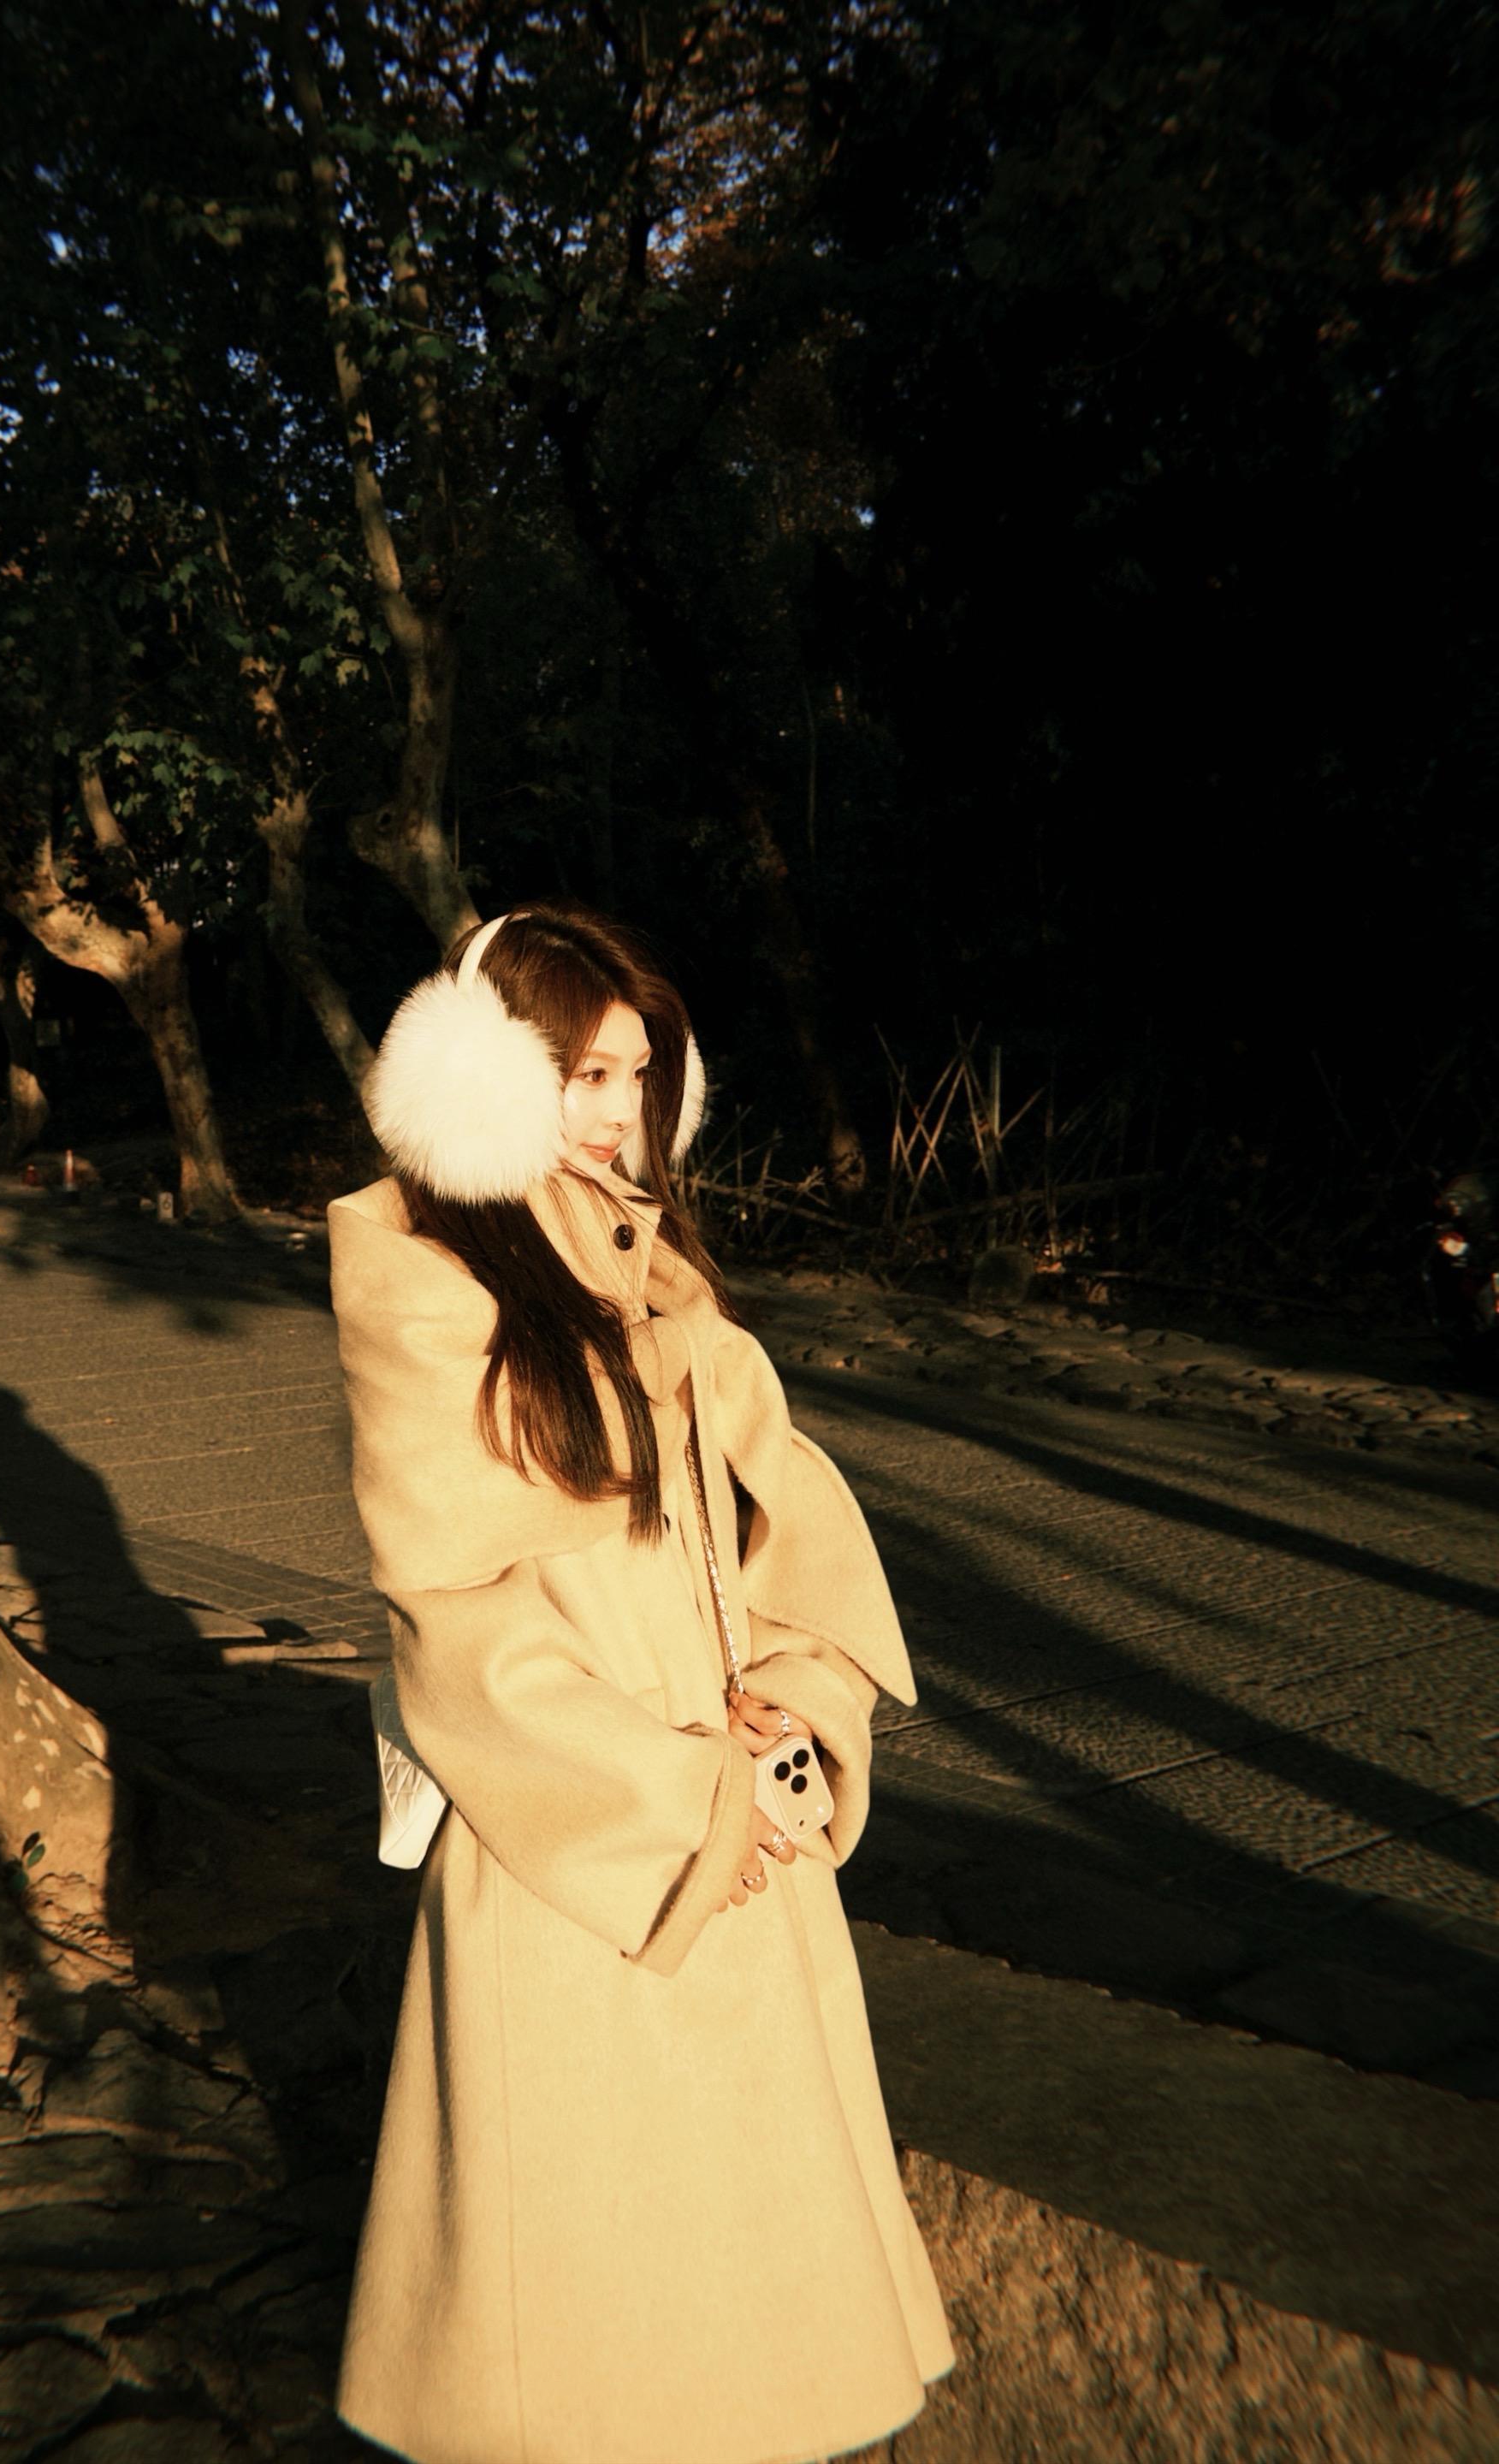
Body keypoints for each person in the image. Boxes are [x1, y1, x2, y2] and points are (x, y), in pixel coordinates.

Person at [328, 902, 954, 2464]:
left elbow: (785, 1523)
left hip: (741, 1821)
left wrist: (798, 1705)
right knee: (584, 2322)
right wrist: (684, 1806)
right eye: (579, 1074)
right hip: (582, 1847)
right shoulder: (428, 1291)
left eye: (634, 1073)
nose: (615, 1112)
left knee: (756, 2296)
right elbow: (459, 1629)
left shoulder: (662, 1281)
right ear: (488, 1083)